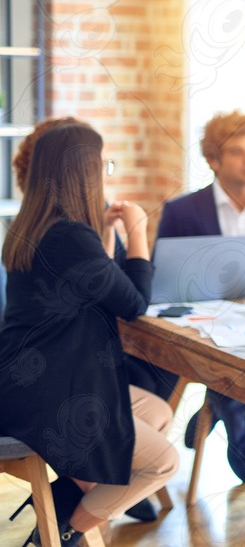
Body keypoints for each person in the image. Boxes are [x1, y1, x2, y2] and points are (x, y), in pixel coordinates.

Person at [0, 123, 178, 546]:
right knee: (162, 464)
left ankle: (61, 501)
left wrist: (107, 232)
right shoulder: (69, 236)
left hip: (32, 383)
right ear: (83, 173)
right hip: (49, 397)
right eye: (103, 165)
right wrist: (137, 230)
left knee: (157, 412)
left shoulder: (39, 225)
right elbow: (134, 303)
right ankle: (61, 533)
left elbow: (104, 283)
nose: (106, 174)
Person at [157, 110, 245, 483]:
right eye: (237, 151)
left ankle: (219, 407)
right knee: (226, 356)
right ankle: (234, 421)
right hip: (202, 325)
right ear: (213, 160)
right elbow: (166, 280)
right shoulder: (182, 211)